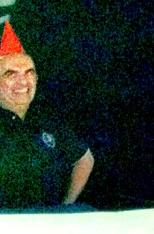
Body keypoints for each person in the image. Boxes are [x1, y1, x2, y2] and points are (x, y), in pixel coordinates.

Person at [0, 20, 95, 211]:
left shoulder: (46, 120)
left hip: (48, 220)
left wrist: (66, 205)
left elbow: (85, 159)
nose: (23, 82)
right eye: (11, 74)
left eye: (29, 73)